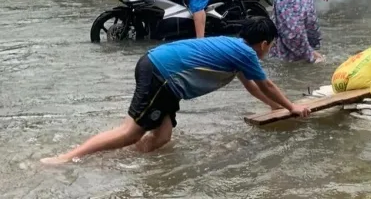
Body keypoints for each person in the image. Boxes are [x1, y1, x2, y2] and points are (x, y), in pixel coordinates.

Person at [40, 19, 311, 165]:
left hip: (160, 72)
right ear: (263, 44)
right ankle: (67, 157)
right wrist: (292, 107)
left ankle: (124, 162)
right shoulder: (245, 52)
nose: (269, 51)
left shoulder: (235, 49)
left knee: (162, 135)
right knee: (131, 131)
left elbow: (252, 87)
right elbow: (267, 85)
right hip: (162, 75)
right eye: (270, 46)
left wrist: (276, 108)